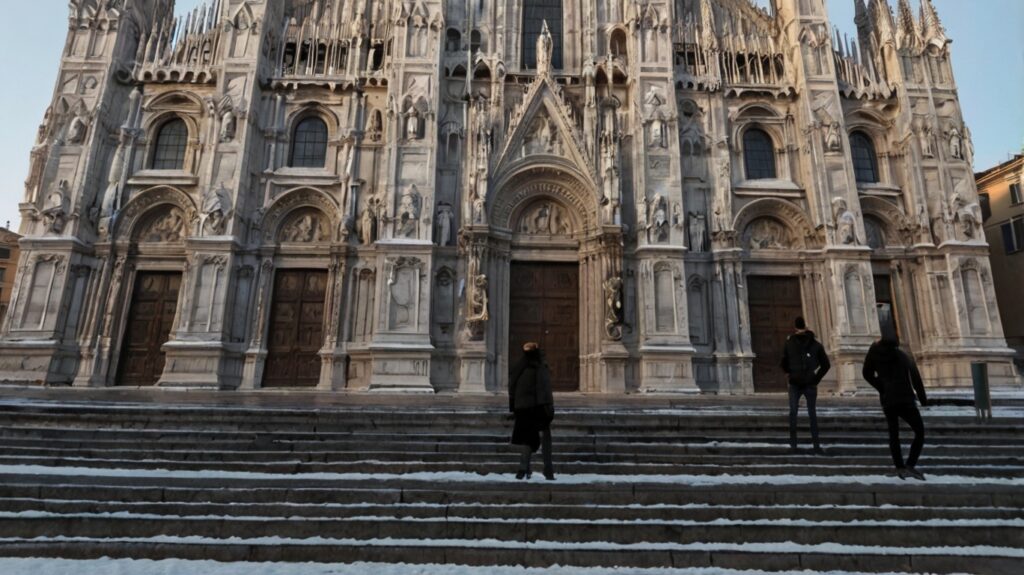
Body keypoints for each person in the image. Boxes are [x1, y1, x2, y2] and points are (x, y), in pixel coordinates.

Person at [862, 324, 928, 480]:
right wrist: (923, 399)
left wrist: (881, 386)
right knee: (919, 431)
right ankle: (910, 464)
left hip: (888, 399)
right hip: (905, 398)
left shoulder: (874, 353)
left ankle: (899, 467)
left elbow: (866, 373)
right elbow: (915, 377)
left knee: (894, 433)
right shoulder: (901, 354)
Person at [780, 317, 831, 454]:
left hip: (795, 383)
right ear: (807, 327)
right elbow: (826, 365)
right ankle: (816, 445)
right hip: (810, 383)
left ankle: (793, 445)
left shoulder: (789, 343)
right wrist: (816, 378)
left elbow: (783, 361)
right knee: (812, 414)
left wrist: (788, 374)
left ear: (795, 327)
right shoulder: (816, 344)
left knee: (793, 413)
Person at [508, 342, 555, 480]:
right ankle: (548, 470)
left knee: (528, 439)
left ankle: (524, 469)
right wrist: (548, 407)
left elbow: (512, 388)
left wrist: (513, 407)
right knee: (545, 437)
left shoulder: (519, 367)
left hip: (521, 408)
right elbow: (544, 389)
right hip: (538, 407)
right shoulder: (539, 367)